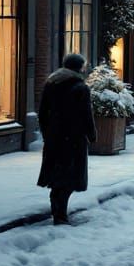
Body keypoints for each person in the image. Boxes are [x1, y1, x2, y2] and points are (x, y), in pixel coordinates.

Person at [37, 53, 97, 225]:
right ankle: (60, 214)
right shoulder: (80, 87)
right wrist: (92, 134)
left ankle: (57, 208)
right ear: (79, 67)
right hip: (73, 137)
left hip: (55, 137)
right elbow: (86, 114)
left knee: (58, 175)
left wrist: (47, 133)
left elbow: (42, 112)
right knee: (69, 177)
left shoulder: (51, 83)